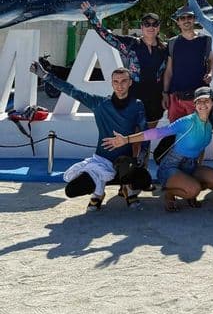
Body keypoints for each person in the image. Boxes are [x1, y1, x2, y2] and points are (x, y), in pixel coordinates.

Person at [30, 61, 151, 211]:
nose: (120, 85)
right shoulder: (99, 103)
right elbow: (71, 90)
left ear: (130, 82)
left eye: (124, 81)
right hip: (102, 161)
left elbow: (145, 133)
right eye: (116, 82)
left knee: (144, 179)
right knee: (72, 190)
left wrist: (142, 154)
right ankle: (98, 193)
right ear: (111, 84)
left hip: (126, 163)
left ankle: (128, 189)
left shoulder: (137, 105)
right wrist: (45, 76)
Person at [102, 86, 213, 212]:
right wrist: (126, 139)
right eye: (199, 101)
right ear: (194, 104)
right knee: (193, 190)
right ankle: (170, 193)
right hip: (171, 166)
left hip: (191, 166)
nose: (203, 105)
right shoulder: (187, 122)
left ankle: (188, 189)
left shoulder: (212, 121)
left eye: (206, 101)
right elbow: (157, 132)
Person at [80, 1, 168, 161]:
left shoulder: (164, 49)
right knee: (130, 140)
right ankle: (126, 180)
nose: (151, 27)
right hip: (133, 100)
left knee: (146, 141)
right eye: (147, 24)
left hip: (155, 101)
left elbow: (170, 73)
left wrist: (166, 94)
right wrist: (91, 16)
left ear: (159, 27)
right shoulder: (131, 44)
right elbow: (107, 36)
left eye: (155, 24)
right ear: (141, 27)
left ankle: (140, 176)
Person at [162, 4, 213, 123]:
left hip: (199, 97)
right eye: (182, 18)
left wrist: (210, 73)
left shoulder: (205, 40)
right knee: (176, 132)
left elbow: (211, 60)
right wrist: (165, 93)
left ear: (194, 19)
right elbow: (169, 70)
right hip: (176, 96)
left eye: (189, 17)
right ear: (178, 22)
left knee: (197, 132)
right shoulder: (172, 42)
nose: (186, 20)